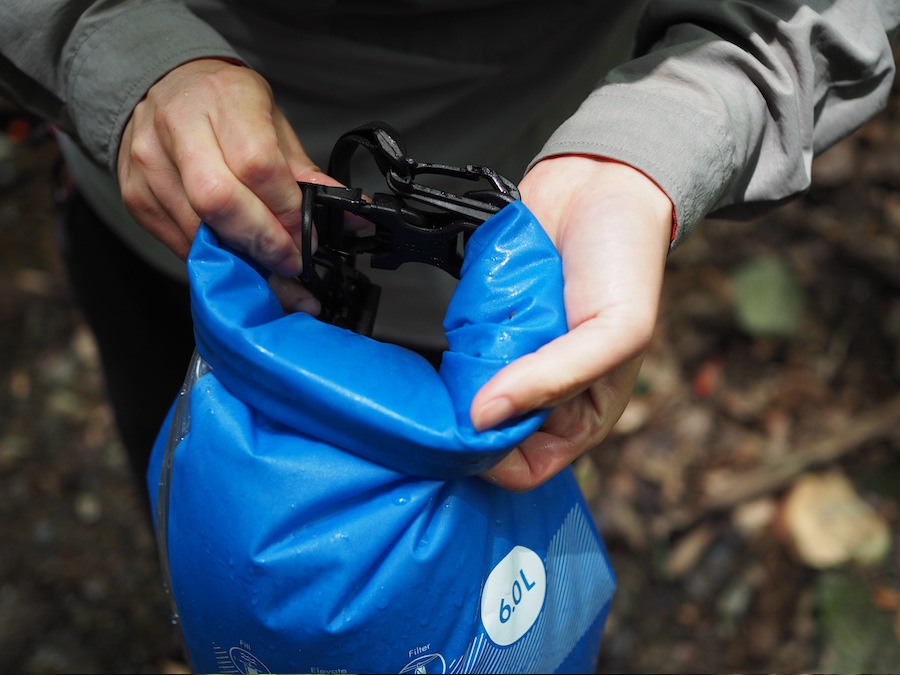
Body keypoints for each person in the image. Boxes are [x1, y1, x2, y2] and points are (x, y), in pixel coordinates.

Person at [0, 0, 898, 497]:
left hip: (517, 269)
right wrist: (110, 47)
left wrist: (662, 138)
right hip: (172, 221)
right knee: (207, 513)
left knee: (467, 542)